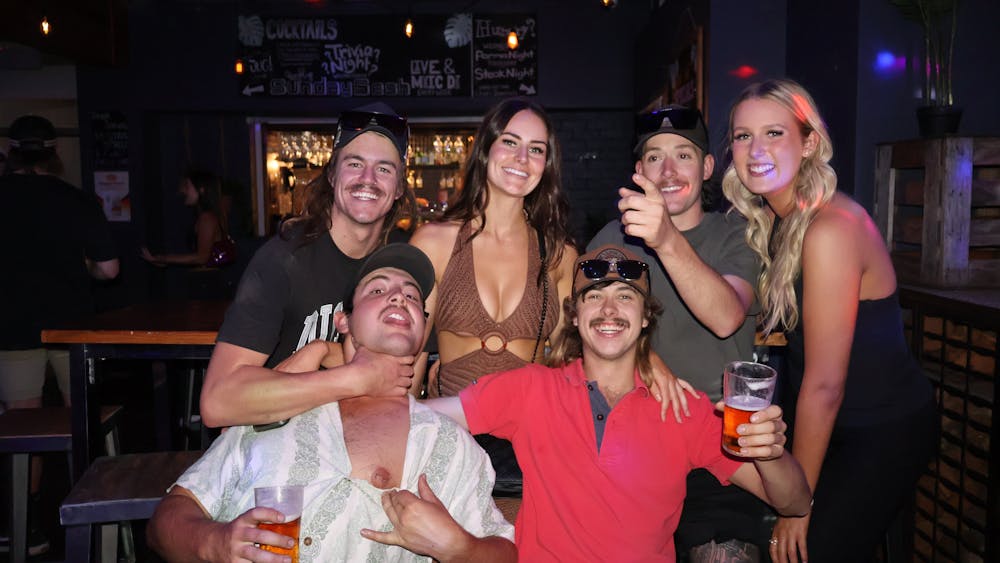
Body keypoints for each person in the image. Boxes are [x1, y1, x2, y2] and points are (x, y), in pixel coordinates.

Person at [424, 245, 812, 561]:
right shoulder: (530, 389)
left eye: (625, 297)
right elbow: (422, 418)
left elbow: (794, 502)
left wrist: (770, 453)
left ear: (646, 318)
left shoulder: (683, 409)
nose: (609, 310)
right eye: (595, 297)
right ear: (575, 317)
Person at [146, 244, 516, 562]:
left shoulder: (448, 444)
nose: (399, 296)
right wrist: (215, 543)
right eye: (376, 290)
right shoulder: (277, 407)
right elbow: (168, 518)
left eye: (413, 296)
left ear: (422, 332)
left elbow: (507, 551)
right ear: (344, 321)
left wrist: (459, 548)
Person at [722, 78, 938, 563]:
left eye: (774, 133)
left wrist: (798, 504)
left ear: (809, 142)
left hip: (882, 428)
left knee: (805, 552)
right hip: (827, 421)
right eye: (742, 135)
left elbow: (824, 384)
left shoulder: (831, 229)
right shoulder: (774, 219)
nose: (755, 149)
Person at [588, 106, 767, 561]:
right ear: (638, 170)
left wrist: (666, 239)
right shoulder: (615, 237)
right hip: (634, 450)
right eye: (654, 158)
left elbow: (726, 316)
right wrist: (646, 359)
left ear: (707, 167)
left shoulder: (736, 234)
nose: (667, 171)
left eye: (683, 155)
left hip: (717, 453)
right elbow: (587, 328)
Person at [198, 102, 418, 429]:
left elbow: (403, 386)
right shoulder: (284, 260)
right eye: (354, 164)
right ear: (331, 175)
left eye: (384, 169)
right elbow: (217, 402)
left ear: (399, 186)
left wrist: (328, 353)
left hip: (358, 441)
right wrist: (352, 377)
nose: (368, 179)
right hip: (272, 446)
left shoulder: (401, 267)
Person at [0, 114, 120, 556]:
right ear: (53, 153)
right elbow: (109, 269)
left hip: (11, 327)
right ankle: (93, 515)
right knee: (83, 420)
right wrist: (80, 266)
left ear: (12, 151)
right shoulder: (76, 200)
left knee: (23, 430)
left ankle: (24, 525)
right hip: (72, 328)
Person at [408, 97, 577, 399]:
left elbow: (575, 358)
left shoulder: (558, 255)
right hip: (453, 433)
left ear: (546, 165)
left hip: (529, 432)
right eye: (510, 142)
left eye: (536, 149)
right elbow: (410, 353)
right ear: (485, 150)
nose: (522, 158)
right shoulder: (433, 243)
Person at [141, 169, 226, 267]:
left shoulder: (207, 218)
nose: (183, 191)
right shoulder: (205, 216)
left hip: (207, 279)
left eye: (187, 186)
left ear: (201, 190)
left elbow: (202, 257)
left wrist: (164, 259)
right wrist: (164, 260)